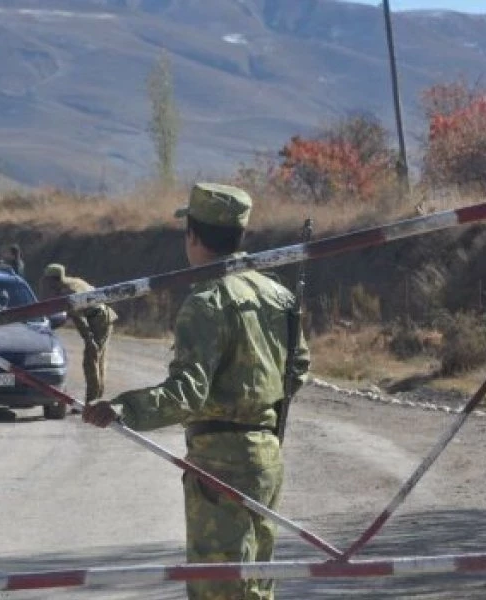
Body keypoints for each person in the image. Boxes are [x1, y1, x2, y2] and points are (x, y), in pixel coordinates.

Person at [82, 182, 310, 600]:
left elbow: (187, 394)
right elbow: (297, 369)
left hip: (220, 463)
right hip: (267, 453)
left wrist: (122, 409)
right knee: (256, 586)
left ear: (193, 236)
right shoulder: (278, 294)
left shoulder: (206, 302)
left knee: (218, 589)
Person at [41, 263, 117, 405]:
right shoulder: (73, 282)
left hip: (99, 319)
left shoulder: (68, 293)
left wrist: (89, 340)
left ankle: (91, 402)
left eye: (47, 280)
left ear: (53, 280)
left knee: (90, 361)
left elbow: (79, 320)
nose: (45, 283)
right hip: (102, 315)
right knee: (98, 359)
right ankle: (97, 397)